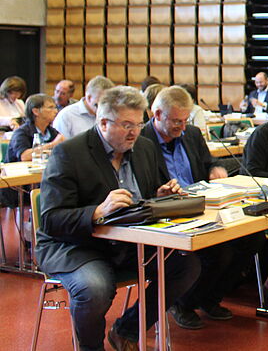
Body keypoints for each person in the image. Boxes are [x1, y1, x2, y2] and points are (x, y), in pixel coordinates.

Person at [36, 86, 200, 351]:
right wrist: (98, 211)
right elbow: (52, 220)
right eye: (126, 125)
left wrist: (159, 195)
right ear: (103, 122)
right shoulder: (69, 154)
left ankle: (126, 330)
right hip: (77, 245)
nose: (134, 131)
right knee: (95, 287)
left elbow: (145, 198)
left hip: (127, 242)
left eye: (137, 123)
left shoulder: (144, 148)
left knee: (187, 266)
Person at [141, 86, 257, 330]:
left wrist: (215, 168)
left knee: (251, 239)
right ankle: (183, 303)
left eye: (185, 120)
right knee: (219, 252)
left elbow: (208, 161)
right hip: (167, 215)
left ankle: (209, 298)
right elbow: (141, 189)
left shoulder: (191, 134)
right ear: (157, 113)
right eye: (176, 121)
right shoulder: (142, 142)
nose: (181, 127)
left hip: (203, 206)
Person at [5, 93, 64, 163]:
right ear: (36, 111)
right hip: (18, 172)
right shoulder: (22, 132)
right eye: (50, 107)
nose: (56, 111)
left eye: (55, 107)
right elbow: (24, 156)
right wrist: (52, 144)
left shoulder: (52, 132)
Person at [53, 75, 114, 139]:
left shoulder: (110, 114)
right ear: (89, 98)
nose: (105, 106)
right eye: (102, 102)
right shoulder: (66, 116)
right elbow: (58, 146)